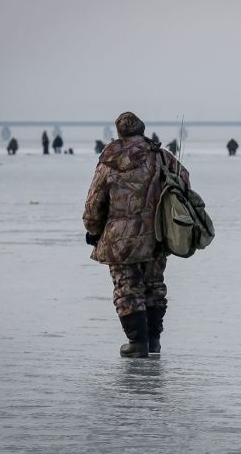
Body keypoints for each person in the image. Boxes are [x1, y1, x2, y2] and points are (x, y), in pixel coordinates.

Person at [83, 112, 190, 358]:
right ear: (143, 131)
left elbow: (93, 203)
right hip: (157, 234)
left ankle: (138, 341)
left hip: (119, 239)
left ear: (119, 133)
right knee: (154, 285)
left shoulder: (108, 162)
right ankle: (153, 340)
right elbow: (183, 182)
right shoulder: (161, 156)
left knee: (127, 288)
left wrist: (93, 230)